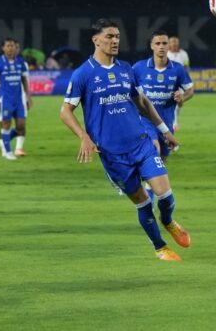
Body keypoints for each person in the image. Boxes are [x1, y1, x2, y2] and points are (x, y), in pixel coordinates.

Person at [59, 19, 191, 261]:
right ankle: (160, 247)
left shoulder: (126, 69)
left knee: (165, 194)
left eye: (117, 36)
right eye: (109, 36)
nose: (115, 41)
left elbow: (142, 103)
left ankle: (168, 220)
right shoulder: (83, 74)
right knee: (142, 203)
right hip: (113, 155)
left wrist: (164, 131)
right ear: (95, 40)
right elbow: (65, 111)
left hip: (140, 143)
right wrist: (83, 136)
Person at [133, 30, 194, 164]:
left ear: (168, 46)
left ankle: (149, 185)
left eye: (164, 43)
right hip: (145, 119)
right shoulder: (138, 67)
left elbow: (190, 90)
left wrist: (182, 96)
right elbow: (129, 91)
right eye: (158, 43)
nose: (161, 46)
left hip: (167, 121)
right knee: (154, 150)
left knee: (162, 160)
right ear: (152, 46)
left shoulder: (177, 69)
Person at [0, 37, 33, 160]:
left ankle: (5, 140)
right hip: (5, 99)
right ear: (3, 48)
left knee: (20, 126)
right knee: (5, 124)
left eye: (13, 46)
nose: (10, 48)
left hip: (19, 100)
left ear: (16, 47)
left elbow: (25, 80)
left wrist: (28, 97)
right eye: (8, 45)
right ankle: (8, 152)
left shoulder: (20, 62)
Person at [167, 35, 191, 131]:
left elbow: (186, 67)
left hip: (180, 81)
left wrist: (187, 79)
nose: (174, 44)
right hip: (169, 81)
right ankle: (174, 122)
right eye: (172, 42)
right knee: (172, 102)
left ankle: (174, 121)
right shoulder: (166, 54)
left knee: (179, 102)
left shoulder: (184, 54)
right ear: (169, 44)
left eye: (176, 42)